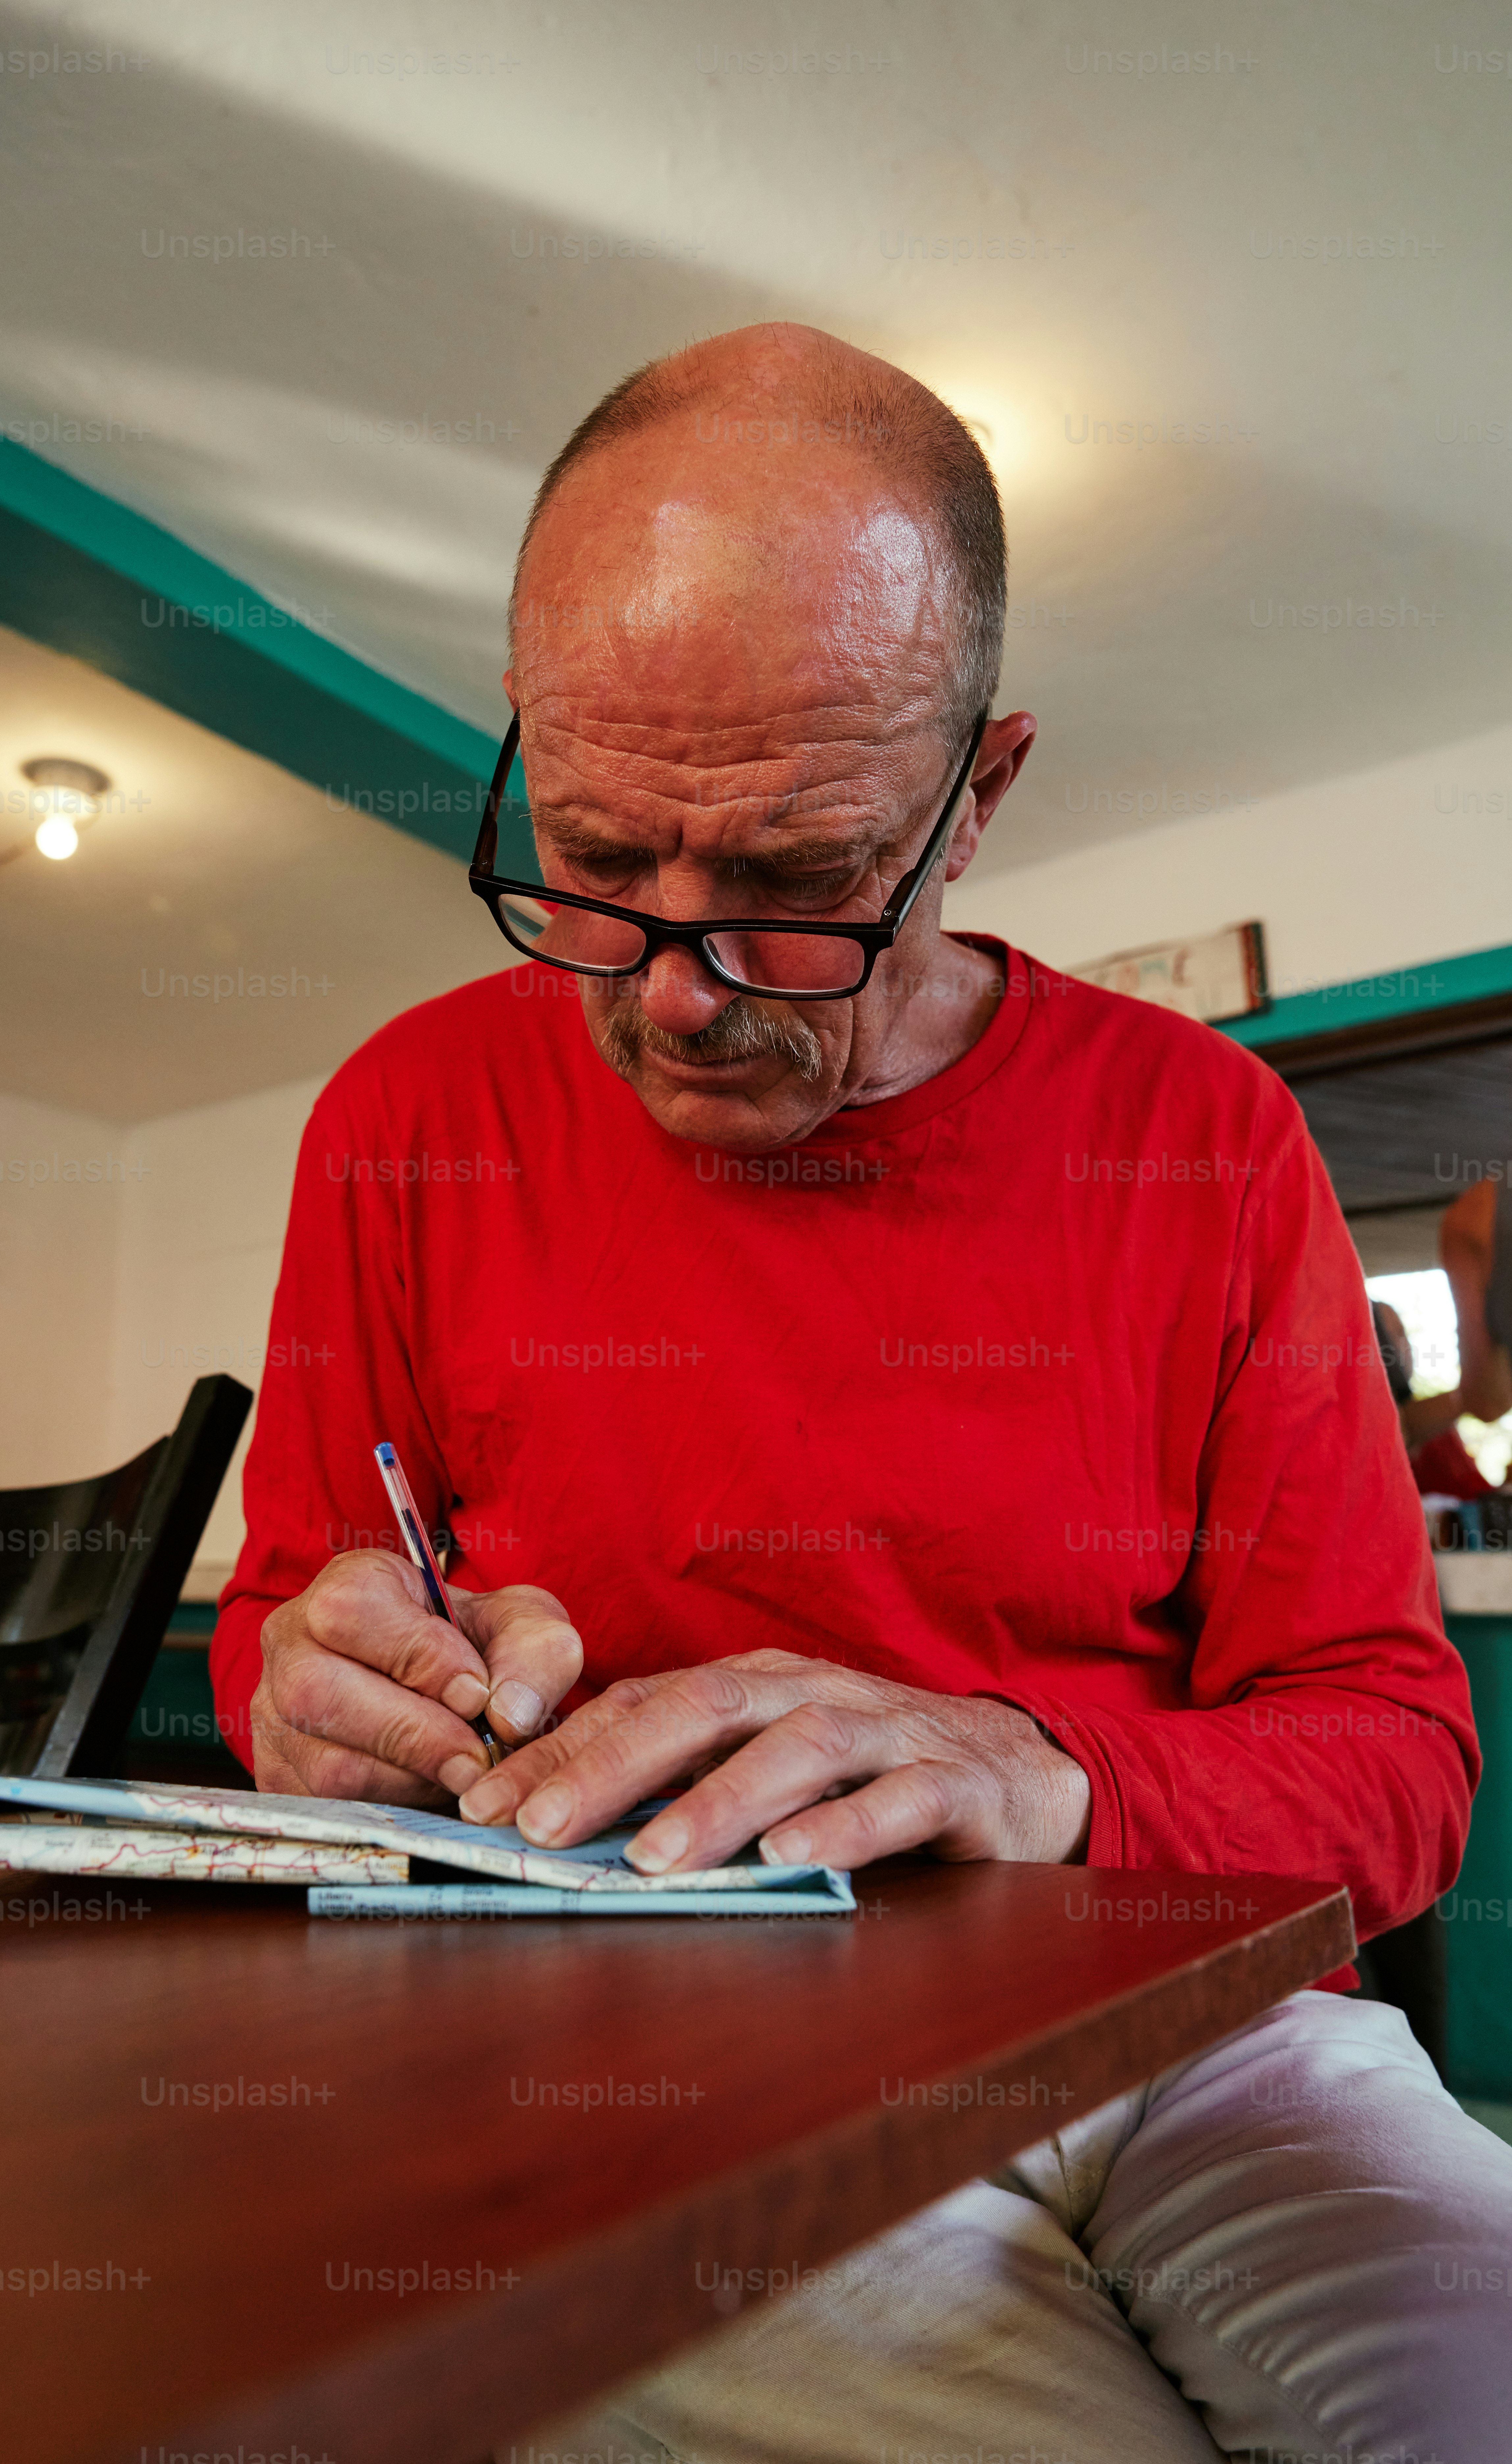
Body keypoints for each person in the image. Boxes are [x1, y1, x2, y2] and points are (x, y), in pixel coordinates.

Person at [211, 325, 1512, 2462]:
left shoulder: (1207, 1136)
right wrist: (312, 1699)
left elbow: (1394, 1763)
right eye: (600, 857)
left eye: (798, 887)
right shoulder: (400, 1117)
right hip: (655, 2049)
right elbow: (288, 1626)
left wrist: (1037, 1773)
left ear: (978, 801)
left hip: (1212, 2044)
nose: (676, 991)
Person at [1375, 1181, 1512, 1497]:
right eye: (1397, 1335)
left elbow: (1487, 1400)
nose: (1406, 1346)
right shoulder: (1478, 1216)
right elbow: (1487, 1401)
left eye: (1402, 1334)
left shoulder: (1477, 1213)